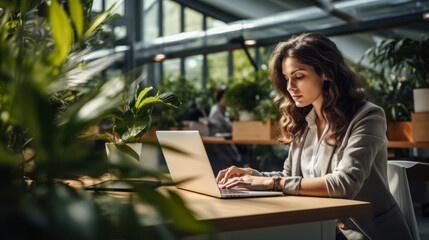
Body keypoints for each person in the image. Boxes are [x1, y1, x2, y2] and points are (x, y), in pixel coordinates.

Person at [216, 32, 412, 240]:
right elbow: (290, 177)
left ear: (326, 72)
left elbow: (344, 184)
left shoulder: (368, 116)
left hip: (365, 233)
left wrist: (271, 183)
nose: (290, 87)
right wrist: (251, 176)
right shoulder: (303, 120)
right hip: (319, 228)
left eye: (299, 76)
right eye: (286, 78)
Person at [205, 87, 241, 173]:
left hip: (222, 142)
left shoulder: (221, 110)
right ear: (223, 97)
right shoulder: (216, 111)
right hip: (218, 143)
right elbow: (227, 127)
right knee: (233, 159)